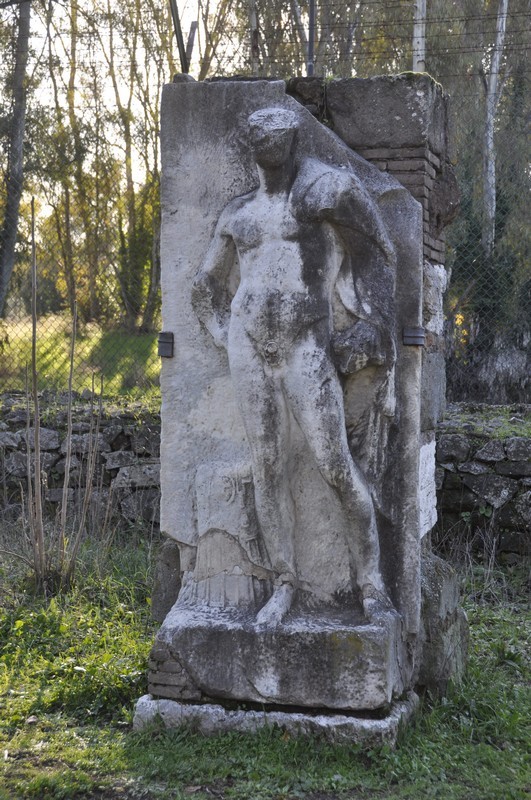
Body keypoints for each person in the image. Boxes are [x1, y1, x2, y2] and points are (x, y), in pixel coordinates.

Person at [192, 107, 395, 625]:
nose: (270, 151)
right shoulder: (237, 214)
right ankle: (284, 583)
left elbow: (376, 247)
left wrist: (371, 321)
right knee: (268, 465)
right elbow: (206, 286)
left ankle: (371, 586)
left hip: (307, 343)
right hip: (249, 347)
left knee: (334, 464)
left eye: (277, 142)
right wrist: (225, 335)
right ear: (253, 148)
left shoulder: (323, 194)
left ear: (291, 144)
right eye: (262, 142)